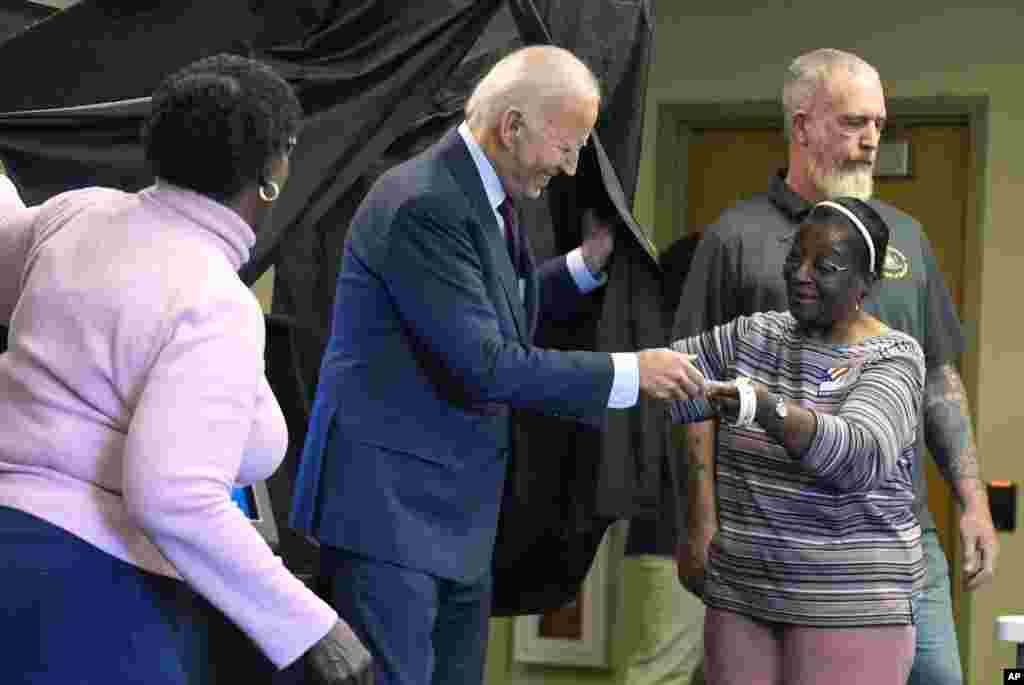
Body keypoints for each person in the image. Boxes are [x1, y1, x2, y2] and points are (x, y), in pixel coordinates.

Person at [289, 45, 705, 685]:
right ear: (512, 126)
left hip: (451, 512)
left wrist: (578, 269)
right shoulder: (425, 202)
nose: (570, 169)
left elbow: (489, 307)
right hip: (389, 512)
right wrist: (629, 372)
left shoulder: (479, 197)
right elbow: (484, 361)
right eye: (567, 147)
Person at [0, 54, 372, 685]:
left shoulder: (78, 214)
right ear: (272, 173)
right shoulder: (214, 301)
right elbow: (173, 497)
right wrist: (315, 625)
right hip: (89, 594)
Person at [676, 48, 998, 685]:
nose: (872, 139)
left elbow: (938, 379)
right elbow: (691, 391)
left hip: (896, 536)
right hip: (772, 541)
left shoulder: (903, 237)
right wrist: (700, 521)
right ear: (801, 127)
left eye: (879, 123)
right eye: (854, 122)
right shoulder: (734, 240)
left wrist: (973, 502)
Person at [672, 197, 924, 683]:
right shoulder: (754, 336)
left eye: (825, 266)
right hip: (743, 597)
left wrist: (765, 408)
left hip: (850, 604)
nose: (801, 274)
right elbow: (670, 387)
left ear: (866, 284)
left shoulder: (892, 358)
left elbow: (858, 456)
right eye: (794, 259)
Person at [617, 233, 705, 685]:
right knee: (659, 675)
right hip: (672, 542)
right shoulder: (675, 363)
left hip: (665, 541)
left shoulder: (654, 354)